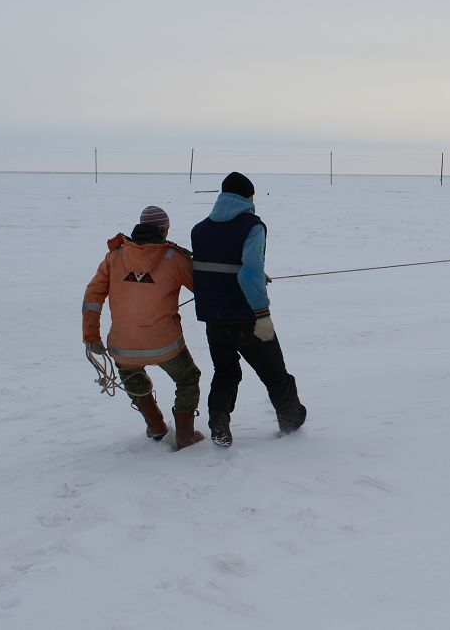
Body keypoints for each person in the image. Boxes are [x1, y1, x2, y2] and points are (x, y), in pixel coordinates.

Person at [191, 172, 307, 446]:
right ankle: (291, 423)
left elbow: (216, 267)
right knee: (274, 373)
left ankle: (219, 421)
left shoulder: (199, 229)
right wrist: (262, 313)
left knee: (226, 371)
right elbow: (249, 272)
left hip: (214, 317)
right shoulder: (253, 226)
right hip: (246, 316)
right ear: (249, 197)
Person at [82, 205, 204, 450]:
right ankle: (185, 436)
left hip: (124, 345)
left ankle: (156, 426)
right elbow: (205, 289)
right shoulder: (175, 258)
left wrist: (91, 335)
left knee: (133, 378)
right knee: (187, 378)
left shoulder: (115, 256)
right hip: (166, 344)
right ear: (164, 230)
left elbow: (93, 295)